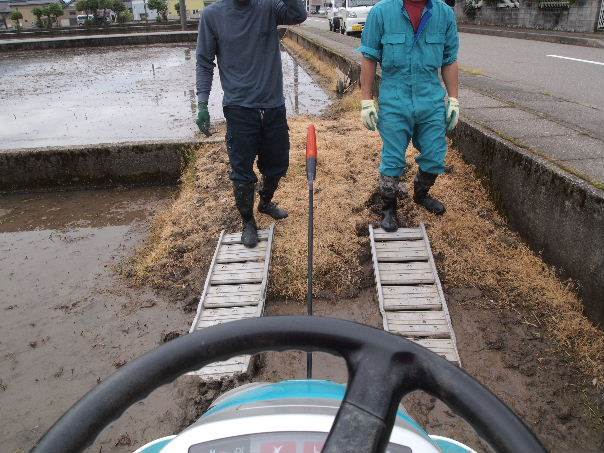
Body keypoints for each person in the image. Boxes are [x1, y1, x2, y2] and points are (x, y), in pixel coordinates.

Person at [195, 0, 307, 248]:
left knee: (277, 164)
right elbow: (204, 62)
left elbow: (298, 14)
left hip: (273, 105)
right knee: (242, 172)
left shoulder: (268, 7)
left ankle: (265, 201)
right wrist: (202, 103)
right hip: (239, 108)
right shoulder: (212, 15)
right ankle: (248, 222)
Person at [358, 0, 459, 232]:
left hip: (430, 99)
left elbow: (449, 59)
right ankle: (389, 207)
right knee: (393, 159)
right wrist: (366, 100)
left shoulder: (444, 14)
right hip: (395, 99)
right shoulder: (381, 12)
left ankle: (421, 193)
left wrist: (453, 99)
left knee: (435, 155)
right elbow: (369, 57)